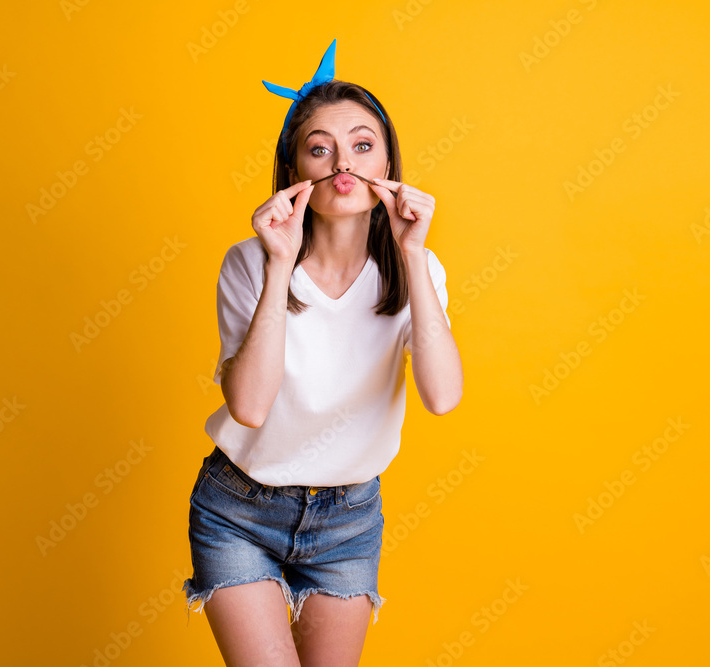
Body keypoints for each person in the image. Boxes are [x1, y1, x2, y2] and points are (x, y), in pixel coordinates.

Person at [182, 39, 463, 666]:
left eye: (363, 145)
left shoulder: (419, 268)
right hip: (240, 509)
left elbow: (442, 396)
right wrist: (281, 263)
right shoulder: (250, 263)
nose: (344, 161)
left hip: (348, 519)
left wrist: (414, 254)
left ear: (388, 162)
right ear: (295, 172)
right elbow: (249, 407)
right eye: (320, 147)